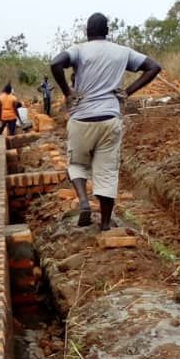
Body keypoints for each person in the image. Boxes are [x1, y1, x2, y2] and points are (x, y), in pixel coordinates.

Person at [50, 13, 161, 231]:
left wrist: (67, 91)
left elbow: (56, 63)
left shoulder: (79, 50)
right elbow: (153, 66)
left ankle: (83, 202)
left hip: (81, 118)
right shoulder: (122, 52)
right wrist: (127, 91)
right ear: (107, 31)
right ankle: (105, 223)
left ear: (87, 31)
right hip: (110, 119)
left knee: (77, 164)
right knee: (107, 172)